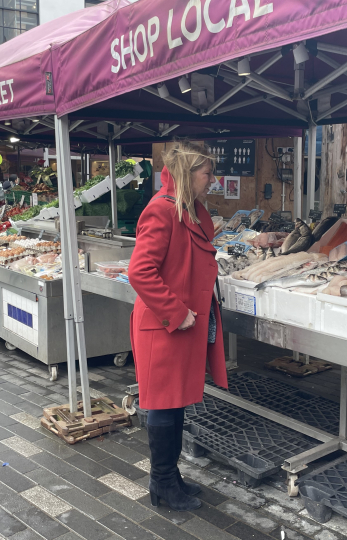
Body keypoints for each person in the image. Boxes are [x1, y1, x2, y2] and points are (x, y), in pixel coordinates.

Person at [129, 140, 229, 511]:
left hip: (181, 327)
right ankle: (162, 484)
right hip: (166, 326)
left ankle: (170, 476)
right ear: (189, 174)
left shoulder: (187, 209)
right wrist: (176, 311)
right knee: (164, 405)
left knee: (176, 404)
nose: (213, 179)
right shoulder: (161, 211)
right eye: (207, 173)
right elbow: (140, 271)